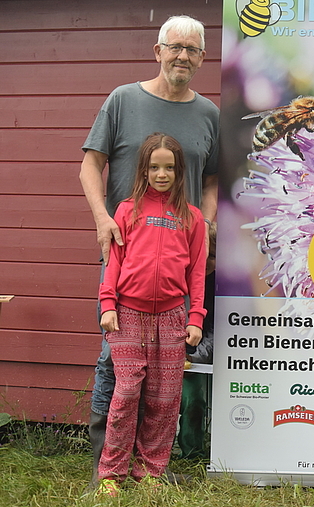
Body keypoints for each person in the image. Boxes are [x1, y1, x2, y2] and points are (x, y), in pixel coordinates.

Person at [79, 14, 219, 488]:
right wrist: (103, 222)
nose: (183, 56)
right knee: (114, 369)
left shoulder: (208, 114)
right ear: (157, 51)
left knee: (164, 381)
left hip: (181, 258)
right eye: (174, 46)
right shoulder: (123, 100)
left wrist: (209, 223)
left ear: (202, 58)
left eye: (192, 49)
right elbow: (90, 166)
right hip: (125, 255)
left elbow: (214, 178)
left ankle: (151, 466)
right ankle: (108, 463)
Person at [96, 133, 207, 495]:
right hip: (128, 313)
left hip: (173, 319)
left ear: (179, 172)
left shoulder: (192, 219)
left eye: (169, 168)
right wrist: (108, 304)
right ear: (143, 169)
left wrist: (195, 318)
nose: (162, 174)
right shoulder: (127, 210)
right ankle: (111, 474)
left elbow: (196, 273)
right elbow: (114, 261)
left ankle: (150, 472)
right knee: (126, 392)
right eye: (155, 167)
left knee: (163, 398)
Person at [177, 222, 216, 460]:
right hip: (164, 348)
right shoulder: (177, 276)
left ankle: (192, 452)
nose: (205, 261)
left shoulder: (220, 286)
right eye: (201, 254)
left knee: (194, 401)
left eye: (212, 256)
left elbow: (215, 329)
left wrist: (195, 354)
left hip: (195, 356)